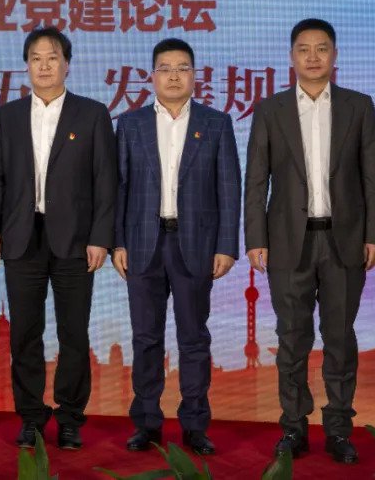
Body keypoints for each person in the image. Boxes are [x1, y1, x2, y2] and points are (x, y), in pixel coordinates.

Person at [245, 18, 375, 464]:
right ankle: (293, 428)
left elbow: (374, 178)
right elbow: (256, 181)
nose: (312, 57)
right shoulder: (270, 110)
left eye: (321, 48)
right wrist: (255, 238)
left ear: (334, 55)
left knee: (340, 338)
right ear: (291, 57)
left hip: (345, 241)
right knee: (291, 339)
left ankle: (339, 430)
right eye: (303, 49)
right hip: (288, 243)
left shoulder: (358, 107)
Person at [0, 26, 116, 451]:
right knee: (24, 334)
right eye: (36, 59)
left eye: (52, 58)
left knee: (74, 333)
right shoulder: (7, 116)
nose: (44, 66)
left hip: (76, 241)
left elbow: (106, 181)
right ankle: (31, 417)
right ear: (26, 66)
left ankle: (71, 418)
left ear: (66, 65)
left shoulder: (91, 114)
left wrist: (101, 237)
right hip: (21, 239)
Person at [113, 38, 240, 456]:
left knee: (194, 338)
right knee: (145, 338)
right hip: (142, 244)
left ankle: (194, 426)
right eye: (165, 68)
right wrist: (117, 242)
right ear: (152, 76)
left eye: (182, 68)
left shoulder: (216, 123)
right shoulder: (130, 124)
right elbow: (119, 187)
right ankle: (147, 423)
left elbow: (229, 188)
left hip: (195, 245)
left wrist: (226, 245)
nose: (173, 76)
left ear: (194, 75)